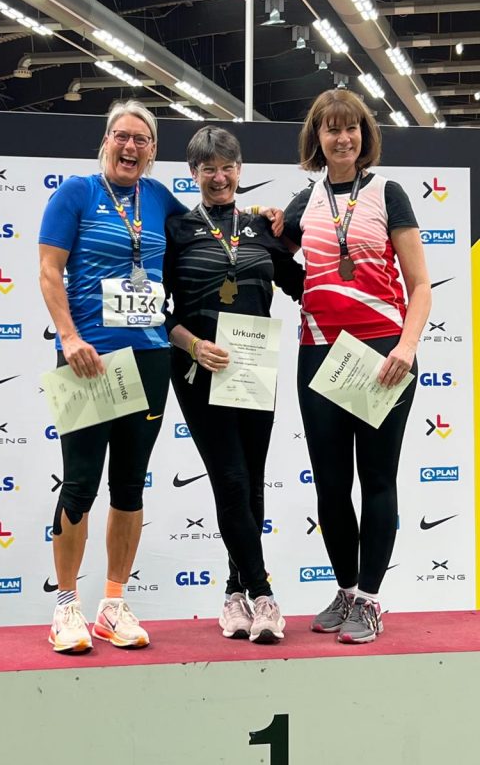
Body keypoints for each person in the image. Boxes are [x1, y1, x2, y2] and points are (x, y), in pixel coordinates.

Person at [283, 89, 431, 644]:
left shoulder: (388, 193)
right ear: (317, 137)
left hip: (382, 354)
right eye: (331, 129)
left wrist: (406, 348)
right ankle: (346, 590)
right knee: (330, 485)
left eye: (351, 128)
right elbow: (274, 263)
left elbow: (420, 285)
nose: (342, 138)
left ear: (364, 135)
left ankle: (369, 601)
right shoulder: (304, 202)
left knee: (377, 479)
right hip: (320, 352)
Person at [39, 100, 186, 654]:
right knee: (79, 482)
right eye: (121, 136)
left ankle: (113, 605)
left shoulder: (159, 198)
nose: (130, 147)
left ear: (153, 150)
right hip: (89, 360)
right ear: (105, 141)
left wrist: (261, 217)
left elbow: (207, 230)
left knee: (129, 484)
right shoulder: (75, 193)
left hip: (148, 359)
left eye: (141, 139)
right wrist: (69, 338)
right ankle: (66, 606)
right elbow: (49, 269)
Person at [164, 126, 304, 643]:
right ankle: (263, 593)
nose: (219, 177)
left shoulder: (260, 226)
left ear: (240, 171)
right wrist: (192, 345)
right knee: (231, 479)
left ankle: (233, 593)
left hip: (255, 367)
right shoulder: (177, 229)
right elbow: (155, 309)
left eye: (227, 167)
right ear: (193, 173)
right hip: (202, 369)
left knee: (253, 481)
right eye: (208, 169)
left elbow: (303, 284)